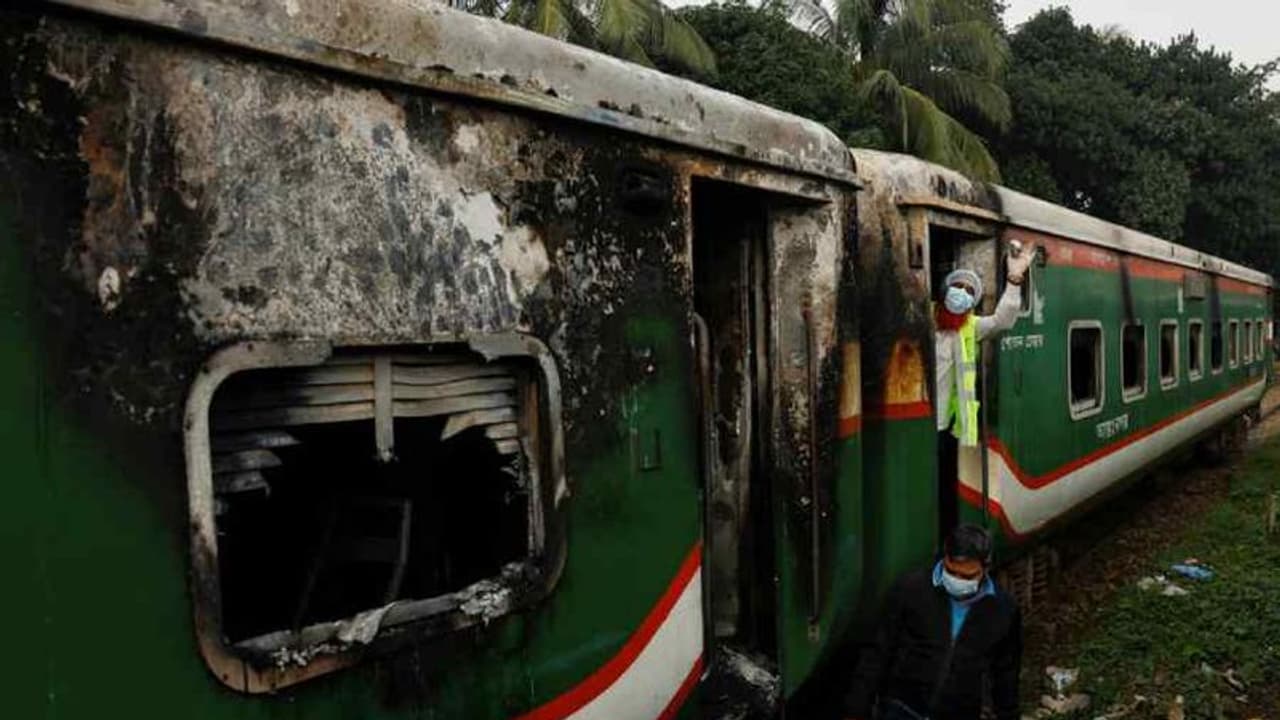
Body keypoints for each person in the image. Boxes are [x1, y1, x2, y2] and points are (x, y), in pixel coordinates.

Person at [842, 524, 1022, 720]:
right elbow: (877, 652)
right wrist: (856, 709)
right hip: (902, 709)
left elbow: (1006, 674)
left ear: (985, 568)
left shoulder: (1002, 610)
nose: (958, 580)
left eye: (967, 576)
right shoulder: (911, 589)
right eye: (952, 572)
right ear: (944, 558)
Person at [935, 244, 1035, 534]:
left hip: (947, 427)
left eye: (969, 290)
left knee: (945, 485)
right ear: (945, 291)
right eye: (957, 286)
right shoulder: (923, 320)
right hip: (918, 424)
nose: (961, 293)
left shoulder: (971, 327)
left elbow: (1002, 320)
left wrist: (1015, 280)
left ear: (972, 301)